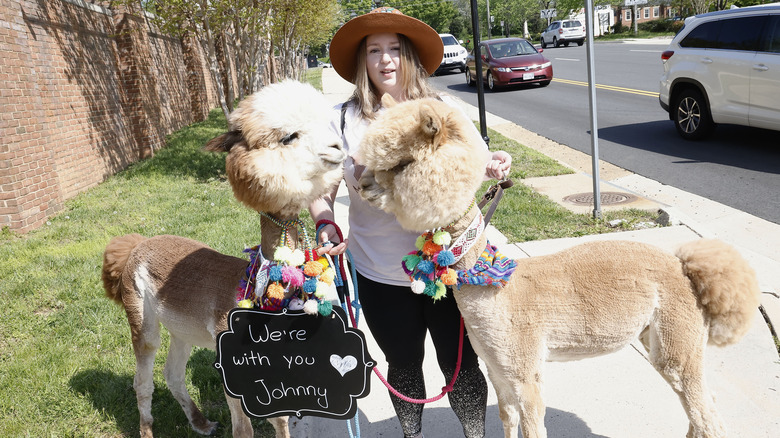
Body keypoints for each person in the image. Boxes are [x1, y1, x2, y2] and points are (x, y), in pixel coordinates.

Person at [310, 7, 512, 438]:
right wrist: (325, 220)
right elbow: (321, 187)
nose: (386, 60)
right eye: (375, 51)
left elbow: (476, 158)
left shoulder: (442, 109)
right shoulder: (341, 120)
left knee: (460, 362)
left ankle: (475, 433)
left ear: (410, 57)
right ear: (363, 61)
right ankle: (412, 434)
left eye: (395, 49)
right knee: (402, 363)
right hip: (379, 268)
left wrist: (494, 164)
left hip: (450, 265)